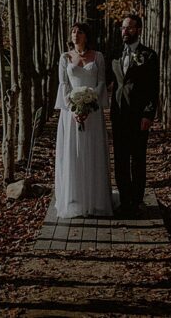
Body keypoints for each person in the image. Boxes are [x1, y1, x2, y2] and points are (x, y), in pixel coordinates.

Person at [53, 21, 114, 218]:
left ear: (86, 35)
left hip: (93, 112)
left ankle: (95, 200)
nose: (75, 35)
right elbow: (64, 85)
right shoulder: (65, 57)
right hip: (71, 114)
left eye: (79, 32)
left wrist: (89, 103)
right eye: (72, 32)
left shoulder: (98, 56)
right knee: (73, 154)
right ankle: (75, 200)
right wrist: (74, 109)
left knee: (92, 152)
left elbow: (102, 82)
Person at [110, 14, 159, 215]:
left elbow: (153, 88)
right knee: (120, 159)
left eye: (129, 28)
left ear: (138, 29)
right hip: (118, 114)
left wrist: (148, 114)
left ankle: (137, 201)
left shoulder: (148, 55)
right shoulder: (114, 54)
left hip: (139, 116)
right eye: (123, 27)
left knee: (137, 159)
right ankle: (124, 200)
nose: (125, 31)